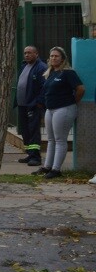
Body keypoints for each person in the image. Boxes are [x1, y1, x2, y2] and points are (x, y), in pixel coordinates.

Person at [39, 46, 84, 179]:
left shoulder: (68, 73)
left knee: (60, 140)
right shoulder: (51, 72)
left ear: (63, 58)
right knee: (51, 139)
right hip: (50, 109)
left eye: (56, 56)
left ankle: (56, 169)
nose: (53, 58)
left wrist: (72, 102)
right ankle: (47, 167)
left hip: (64, 109)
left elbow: (80, 89)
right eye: (51, 56)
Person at [15, 45, 47, 167]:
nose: (27, 55)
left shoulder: (41, 67)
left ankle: (36, 157)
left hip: (33, 105)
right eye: (25, 53)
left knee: (33, 130)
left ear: (36, 54)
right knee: (25, 130)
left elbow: (44, 87)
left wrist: (38, 102)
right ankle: (30, 153)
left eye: (29, 53)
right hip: (22, 105)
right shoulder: (24, 65)